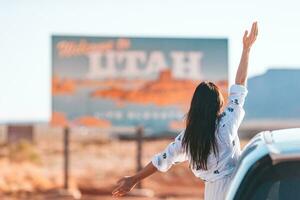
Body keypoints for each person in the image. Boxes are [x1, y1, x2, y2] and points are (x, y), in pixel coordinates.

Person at [112, 22, 258, 200]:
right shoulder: (227, 123)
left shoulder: (188, 137)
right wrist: (246, 49)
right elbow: (240, 84)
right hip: (238, 189)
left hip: (212, 194)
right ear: (218, 104)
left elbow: (162, 159)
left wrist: (134, 179)